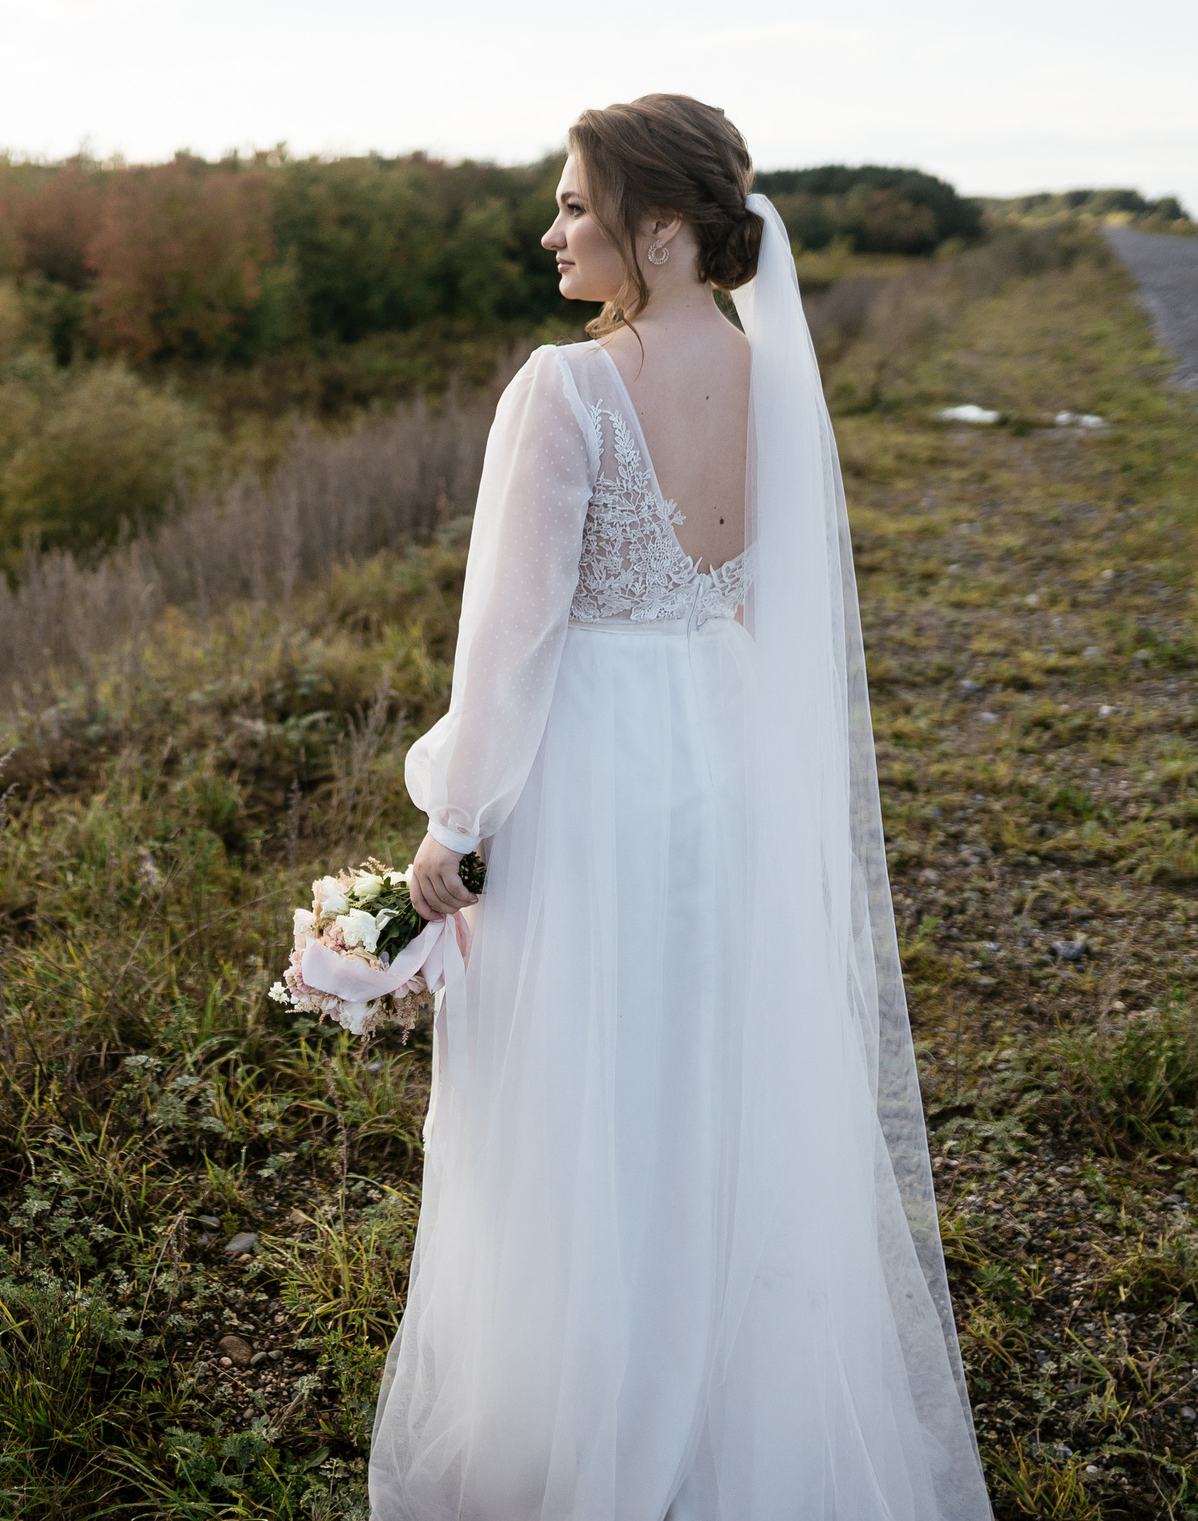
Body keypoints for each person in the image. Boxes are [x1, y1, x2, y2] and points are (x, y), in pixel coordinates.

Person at [375, 95, 991, 1519]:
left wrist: (456, 821)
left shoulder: (567, 390)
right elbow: (765, 610)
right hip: (722, 763)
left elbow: (512, 641)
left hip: (592, 776)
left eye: (573, 205)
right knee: (700, 1088)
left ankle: (586, 1426)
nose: (552, 232)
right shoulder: (777, 380)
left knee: (576, 1104)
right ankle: (715, 1411)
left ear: (659, 227)